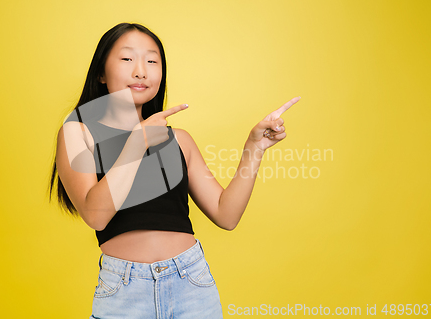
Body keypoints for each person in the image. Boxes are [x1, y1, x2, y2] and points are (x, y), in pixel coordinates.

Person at [48, 22, 300, 319]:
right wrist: (136, 143)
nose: (141, 70)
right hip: (124, 291)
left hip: (191, 283)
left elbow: (226, 215)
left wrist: (253, 149)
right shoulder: (78, 132)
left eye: (152, 61)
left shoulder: (179, 140)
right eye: (127, 59)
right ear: (101, 73)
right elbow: (96, 215)